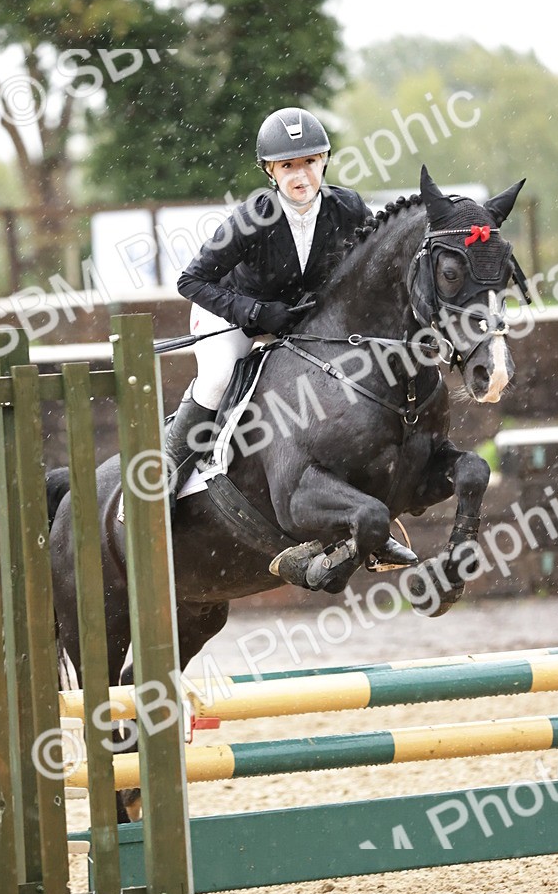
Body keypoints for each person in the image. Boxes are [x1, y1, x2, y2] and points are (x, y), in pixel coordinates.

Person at [167, 104, 415, 568]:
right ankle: (165, 476)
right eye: (288, 166)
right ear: (270, 172)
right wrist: (256, 313)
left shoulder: (348, 208)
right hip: (229, 314)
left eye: (309, 162)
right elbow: (191, 281)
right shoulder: (251, 218)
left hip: (298, 323)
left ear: (324, 161)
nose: (301, 175)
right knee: (219, 378)